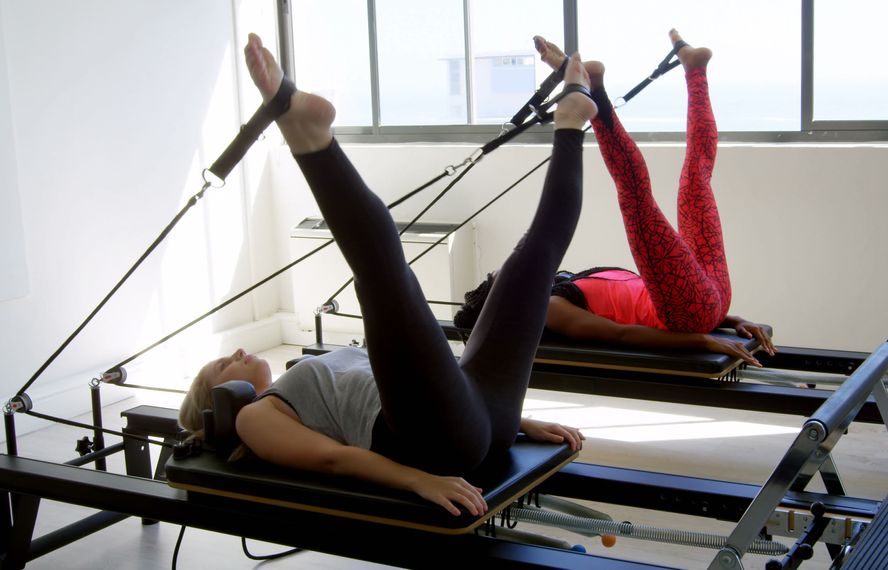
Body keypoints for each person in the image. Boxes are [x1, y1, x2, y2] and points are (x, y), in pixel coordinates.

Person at [178, 33, 592, 517]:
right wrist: (418, 480)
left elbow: (430, 388)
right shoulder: (254, 416)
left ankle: (570, 124)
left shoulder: (300, 374)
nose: (240, 350)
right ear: (220, 395)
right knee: (384, 278)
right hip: (434, 446)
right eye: (224, 363)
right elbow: (333, 458)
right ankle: (310, 139)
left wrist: (519, 422)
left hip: (480, 414)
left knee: (532, 263)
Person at [454, 30, 775, 367]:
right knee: (635, 196)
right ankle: (593, 86)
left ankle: (695, 69)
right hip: (691, 317)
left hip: (710, 299)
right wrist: (703, 338)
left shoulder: (568, 282)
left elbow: (656, 293)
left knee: (695, 180)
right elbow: (621, 334)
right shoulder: (551, 309)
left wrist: (728, 320)